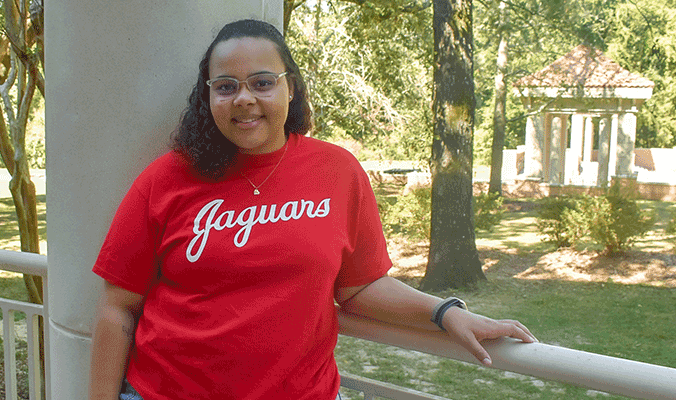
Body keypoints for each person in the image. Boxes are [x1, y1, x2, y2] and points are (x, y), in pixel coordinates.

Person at [89, 19, 536, 400]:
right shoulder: (167, 177)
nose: (244, 98)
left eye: (262, 83)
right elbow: (118, 309)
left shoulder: (336, 171)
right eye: (225, 87)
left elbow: (360, 287)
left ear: (291, 86)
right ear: (207, 97)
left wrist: (446, 313)